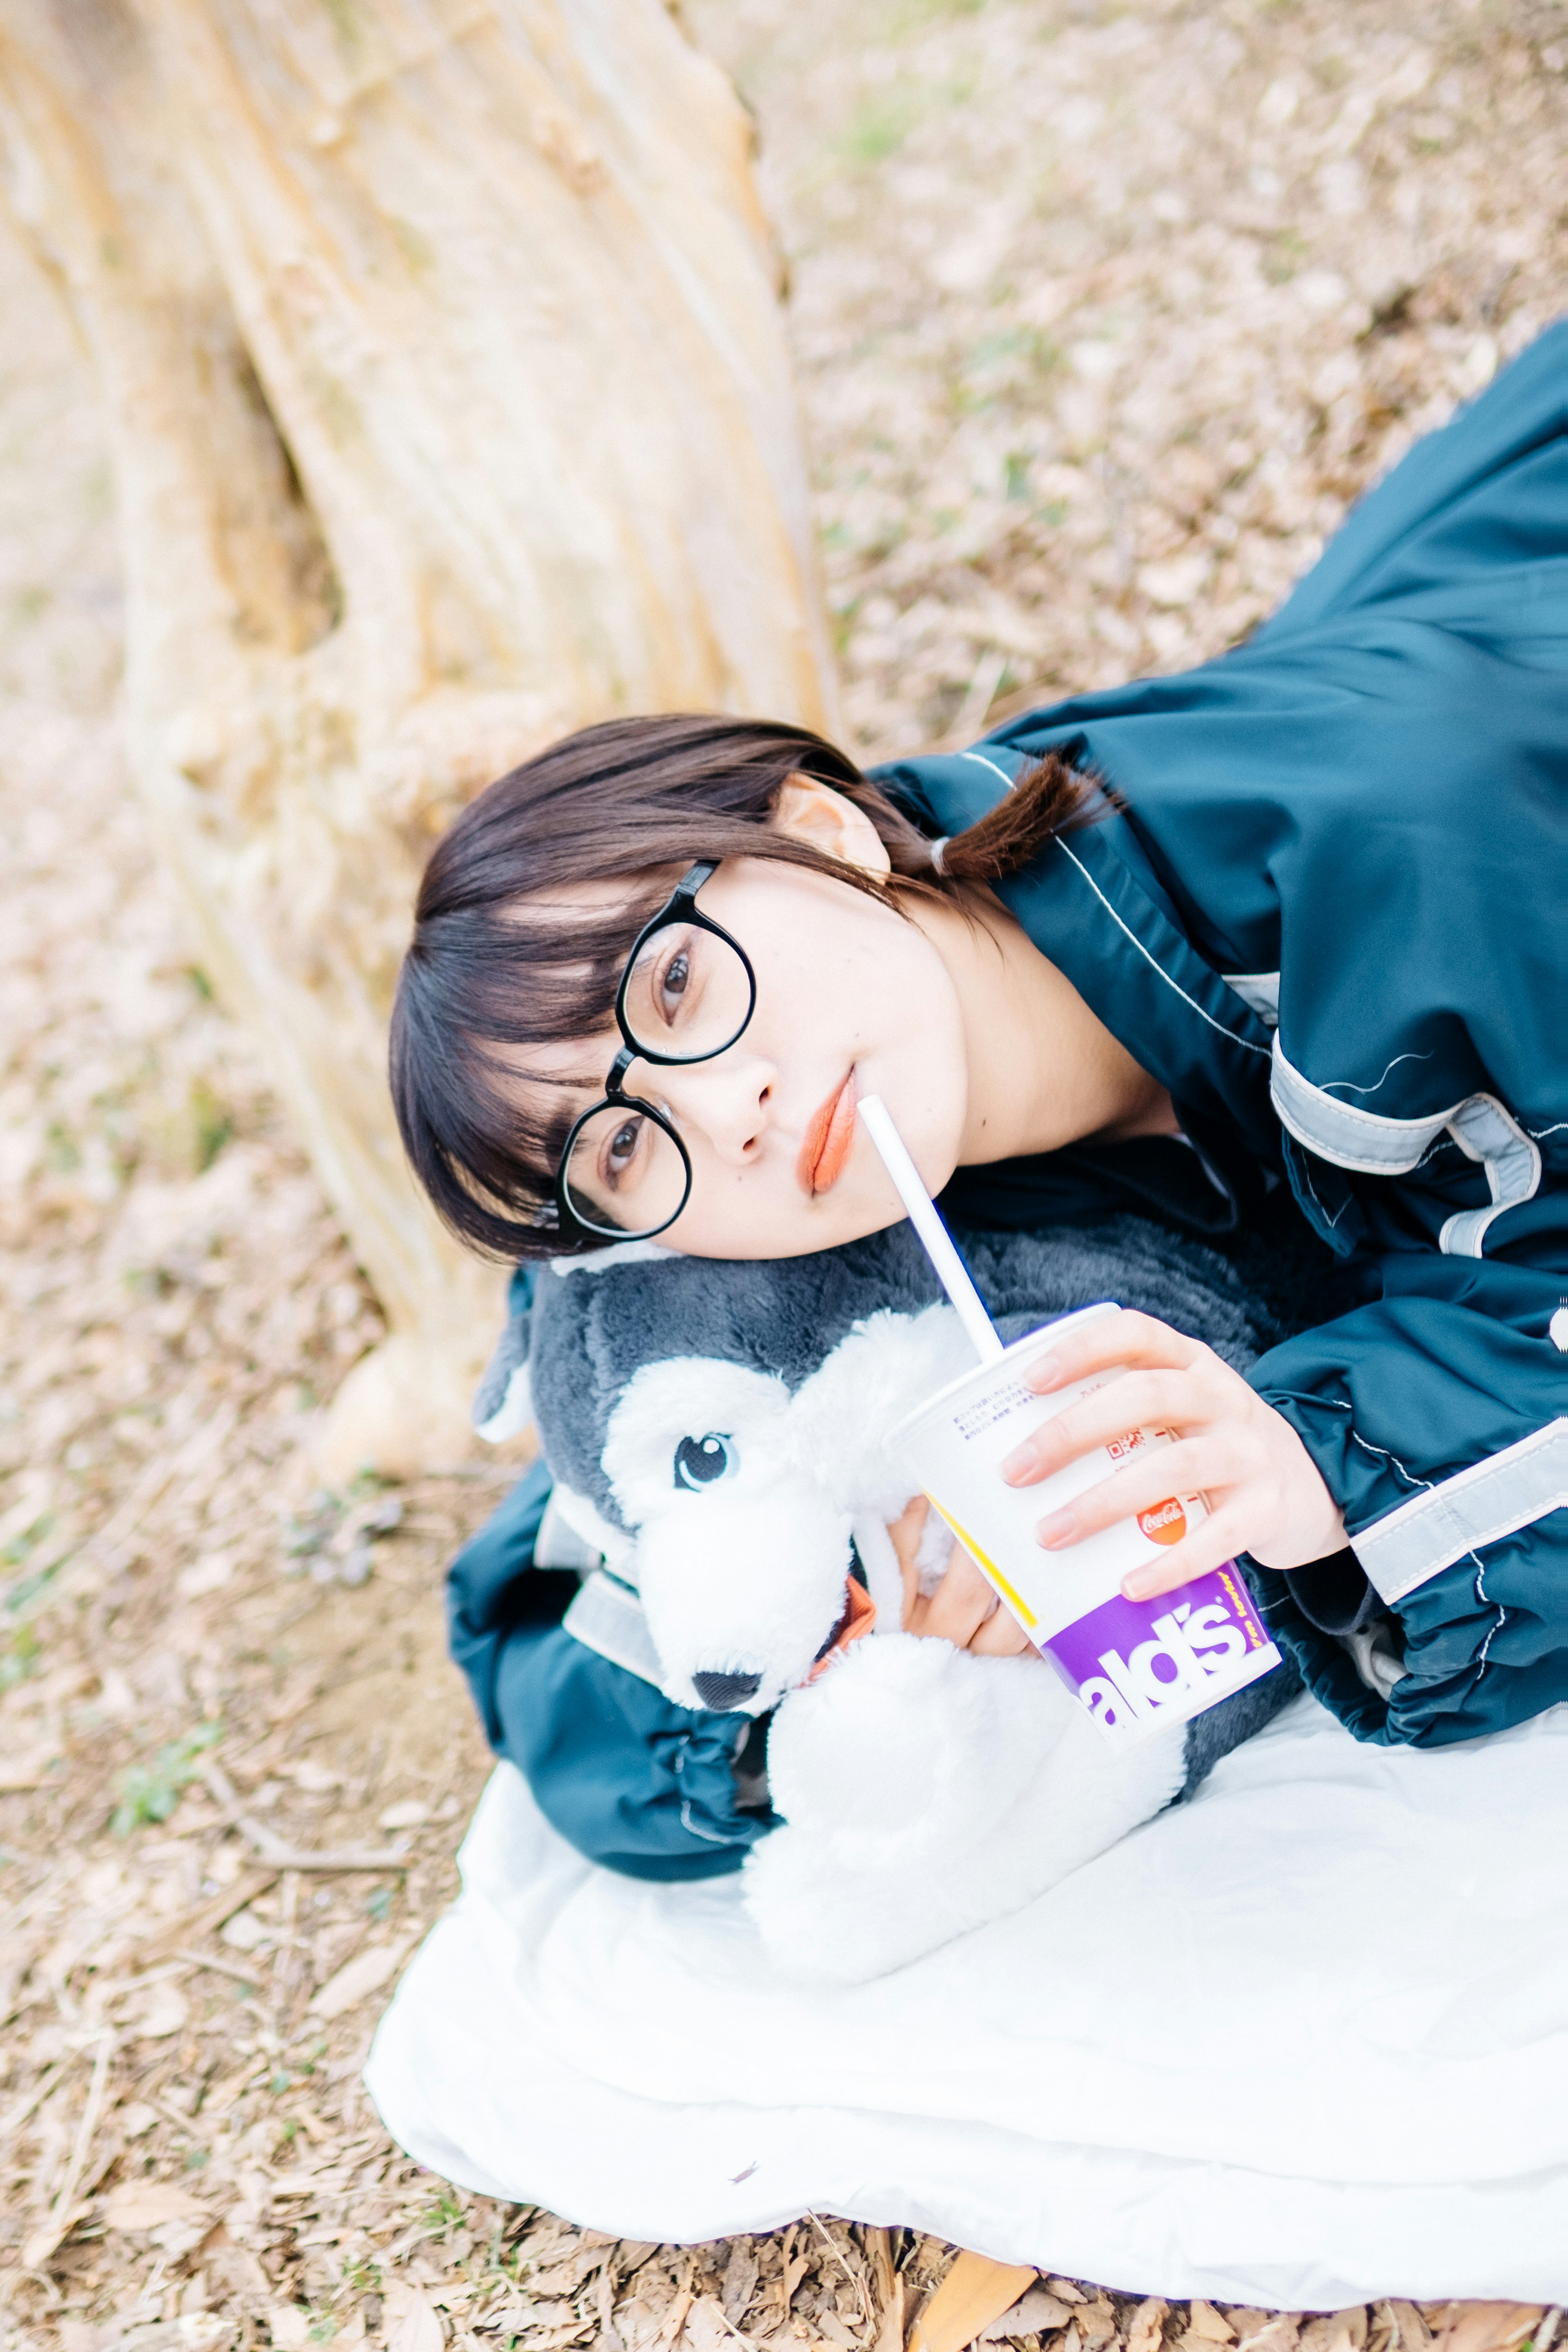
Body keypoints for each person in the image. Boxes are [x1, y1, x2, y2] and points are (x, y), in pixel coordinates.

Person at [390, 323, 1567, 1877]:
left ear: (819, 823)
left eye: (671, 989)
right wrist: (826, 1627)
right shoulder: (774, 1177)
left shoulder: (1405, 865)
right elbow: (559, 1619)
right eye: (622, 1145)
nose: (715, 1110)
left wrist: (1314, 1467)